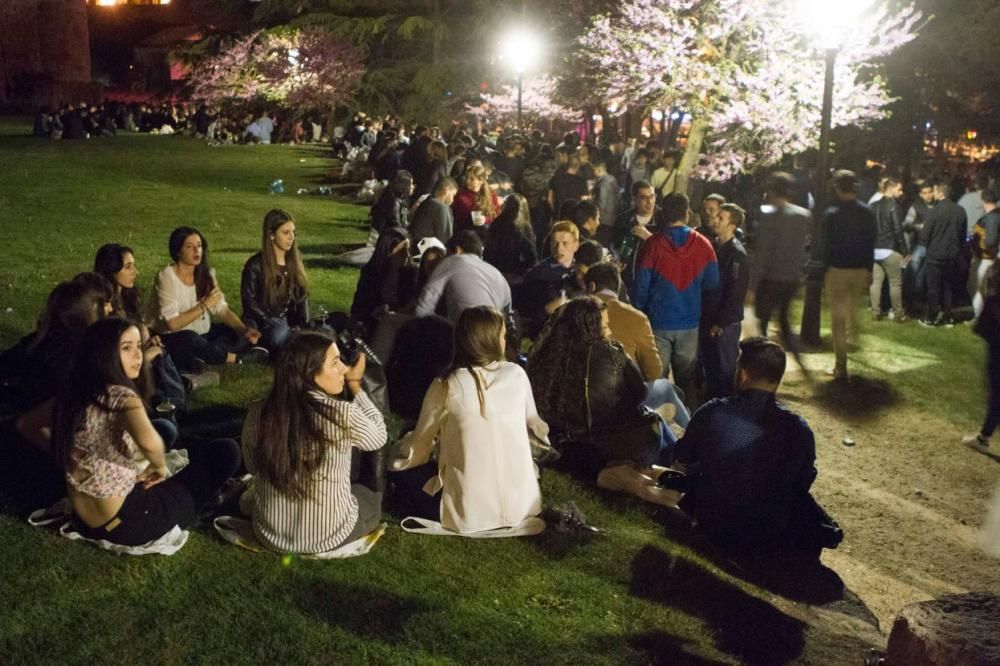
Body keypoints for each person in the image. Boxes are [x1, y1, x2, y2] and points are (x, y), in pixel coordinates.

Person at [51, 318, 240, 547]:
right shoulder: (122, 397)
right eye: (126, 348)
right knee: (226, 451)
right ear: (103, 354)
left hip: (85, 520)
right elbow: (150, 444)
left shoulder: (77, 390)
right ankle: (206, 505)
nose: (138, 355)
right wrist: (159, 467)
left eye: (139, 346)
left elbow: (28, 425)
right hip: (131, 522)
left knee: (164, 430)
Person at [672, 337, 840, 556]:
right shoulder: (798, 429)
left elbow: (683, 457)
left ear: (743, 375)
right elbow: (803, 480)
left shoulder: (712, 413)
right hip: (770, 532)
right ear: (777, 380)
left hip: (715, 526)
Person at [390, 306, 544, 534]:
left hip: (469, 511)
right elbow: (532, 426)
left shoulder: (447, 383)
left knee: (404, 475)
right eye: (503, 336)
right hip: (522, 505)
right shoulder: (517, 374)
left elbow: (418, 447)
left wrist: (395, 459)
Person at [241, 331, 387, 553]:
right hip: (331, 536)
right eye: (335, 363)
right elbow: (378, 437)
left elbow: (252, 466)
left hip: (269, 534)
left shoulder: (259, 413)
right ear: (309, 373)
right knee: (370, 496)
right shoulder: (341, 413)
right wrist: (355, 385)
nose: (344, 369)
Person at [528, 297, 674, 480]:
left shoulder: (546, 354)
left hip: (565, 445)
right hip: (608, 447)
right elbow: (640, 394)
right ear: (591, 327)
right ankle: (679, 464)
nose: (610, 331)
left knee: (658, 420)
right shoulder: (610, 353)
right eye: (605, 326)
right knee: (657, 421)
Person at [633, 193, 719, 402]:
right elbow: (712, 282)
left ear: (663, 213)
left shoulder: (653, 244)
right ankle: (688, 421)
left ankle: (658, 426)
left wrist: (639, 310)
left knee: (656, 380)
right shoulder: (704, 245)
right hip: (689, 322)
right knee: (687, 379)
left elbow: (641, 285)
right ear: (687, 213)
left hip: (659, 321)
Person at [153, 227, 266, 371]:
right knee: (191, 339)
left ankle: (202, 357)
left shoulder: (206, 274)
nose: (197, 250)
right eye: (190, 246)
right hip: (175, 338)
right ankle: (236, 358)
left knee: (238, 328)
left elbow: (221, 309)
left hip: (204, 334)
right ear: (177, 251)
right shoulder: (167, 277)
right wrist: (204, 305)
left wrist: (243, 330)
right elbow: (172, 324)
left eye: (199, 246)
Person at [750, 172, 810, 370]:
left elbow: (763, 253)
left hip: (771, 278)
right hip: (791, 277)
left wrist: (752, 285)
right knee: (784, 321)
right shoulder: (802, 215)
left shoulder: (770, 217)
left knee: (763, 321)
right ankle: (800, 361)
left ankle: (763, 363)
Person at [821, 171, 876, 379]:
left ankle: (840, 366)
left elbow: (826, 246)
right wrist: (869, 269)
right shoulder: (867, 213)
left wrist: (824, 269)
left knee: (838, 320)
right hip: (859, 270)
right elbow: (870, 243)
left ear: (837, 188)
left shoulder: (832, 214)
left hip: (838, 270)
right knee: (852, 310)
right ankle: (856, 335)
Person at [240, 209, 310, 352]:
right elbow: (249, 301)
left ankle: (293, 341)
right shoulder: (255, 265)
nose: (291, 237)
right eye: (285, 233)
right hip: (259, 320)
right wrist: (269, 320)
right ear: (271, 235)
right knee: (277, 336)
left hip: (284, 319)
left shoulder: (295, 262)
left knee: (318, 329)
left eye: (293, 232)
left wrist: (305, 324)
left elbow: (303, 297)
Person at [701, 203, 749, 400]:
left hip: (724, 325)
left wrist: (721, 322)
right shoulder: (715, 246)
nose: (715, 220)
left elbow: (736, 292)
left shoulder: (736, 253)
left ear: (732, 225)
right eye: (717, 216)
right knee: (712, 370)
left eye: (721, 218)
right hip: (711, 319)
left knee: (725, 371)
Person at [414, 231, 512, 321]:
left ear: (457, 251)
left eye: (447, 254)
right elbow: (508, 314)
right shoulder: (498, 274)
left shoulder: (452, 261)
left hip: (465, 334)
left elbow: (422, 309)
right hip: (494, 334)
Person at [919, 183, 968, 328]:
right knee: (949, 287)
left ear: (940, 194)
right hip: (952, 255)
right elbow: (963, 235)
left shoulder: (934, 211)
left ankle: (931, 318)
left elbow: (924, 236)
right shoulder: (960, 211)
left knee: (933, 288)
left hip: (935, 255)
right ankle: (948, 317)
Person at [351, 225, 412, 330]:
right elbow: (359, 309)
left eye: (408, 251)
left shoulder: (409, 274)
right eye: (401, 252)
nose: (407, 256)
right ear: (388, 252)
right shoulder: (371, 273)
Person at [870, 178, 909, 322]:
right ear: (891, 189)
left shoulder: (873, 205)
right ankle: (899, 314)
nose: (901, 192)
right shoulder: (894, 206)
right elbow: (898, 230)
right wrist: (904, 251)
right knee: (895, 283)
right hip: (890, 249)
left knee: (876, 283)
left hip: (875, 250)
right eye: (899, 189)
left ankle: (875, 312)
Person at [616, 180, 661, 289]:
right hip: (629, 282)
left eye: (652, 196)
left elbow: (671, 250)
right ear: (634, 199)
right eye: (644, 198)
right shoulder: (624, 219)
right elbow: (615, 245)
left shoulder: (663, 219)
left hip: (655, 281)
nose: (650, 202)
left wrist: (649, 238)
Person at [483, 193, 538, 282]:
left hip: (495, 272)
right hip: (516, 274)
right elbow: (531, 255)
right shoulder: (524, 227)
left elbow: (487, 250)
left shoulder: (495, 224)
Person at [971, 189, 1000, 318]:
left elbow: (990, 240)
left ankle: (979, 315)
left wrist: (978, 242)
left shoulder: (992, 217)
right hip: (990, 258)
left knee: (978, 286)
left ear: (983, 201)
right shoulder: (996, 215)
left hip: (986, 258)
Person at [410, 176, 458, 248]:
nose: (453, 200)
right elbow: (445, 239)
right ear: (446, 190)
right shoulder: (441, 207)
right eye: (453, 195)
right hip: (426, 252)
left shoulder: (427, 201)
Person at [452, 165, 498, 234]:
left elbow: (495, 213)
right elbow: (455, 216)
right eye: (467, 177)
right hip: (465, 231)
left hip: (485, 229)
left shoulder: (491, 193)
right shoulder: (460, 194)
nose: (467, 181)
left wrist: (485, 219)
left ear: (481, 181)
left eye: (472, 179)